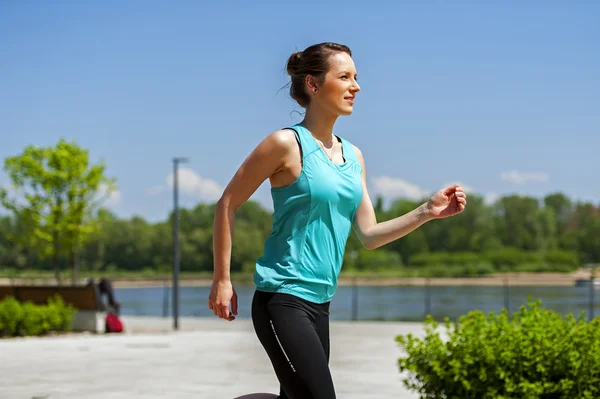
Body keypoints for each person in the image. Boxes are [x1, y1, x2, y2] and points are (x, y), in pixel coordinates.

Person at [208, 42, 467, 399]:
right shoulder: (286, 143)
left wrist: (426, 211)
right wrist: (222, 280)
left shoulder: (353, 156)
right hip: (281, 298)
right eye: (344, 77)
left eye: (356, 77)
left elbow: (370, 235)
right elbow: (227, 204)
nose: (355, 86)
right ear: (313, 85)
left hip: (321, 304)